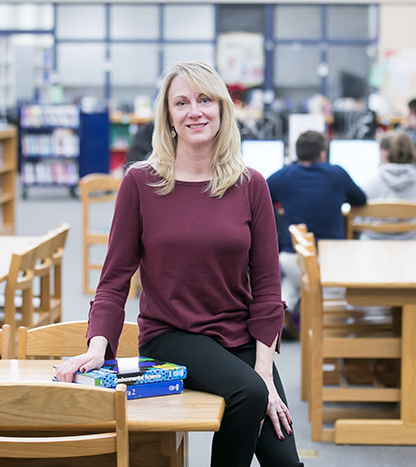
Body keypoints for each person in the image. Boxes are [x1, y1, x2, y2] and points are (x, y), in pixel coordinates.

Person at [56, 60, 302, 467]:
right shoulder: (140, 183)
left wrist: (264, 371)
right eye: (182, 102)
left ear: (222, 109)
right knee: (250, 394)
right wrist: (99, 345)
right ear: (168, 116)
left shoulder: (251, 184)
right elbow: (115, 278)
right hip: (173, 333)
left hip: (240, 336)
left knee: (284, 456)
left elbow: (267, 286)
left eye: (205, 100)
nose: (195, 111)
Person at [267, 130, 367, 335]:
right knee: (332, 291)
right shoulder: (337, 174)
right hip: (329, 261)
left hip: (293, 258)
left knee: (294, 281)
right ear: (323, 154)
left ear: (297, 154)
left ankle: (283, 308)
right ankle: (333, 322)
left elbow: (260, 195)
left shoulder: (284, 175)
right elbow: (361, 199)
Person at [360, 131, 416, 240]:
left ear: (384, 152)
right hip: (409, 242)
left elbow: (358, 218)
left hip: (372, 243)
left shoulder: (372, 179)